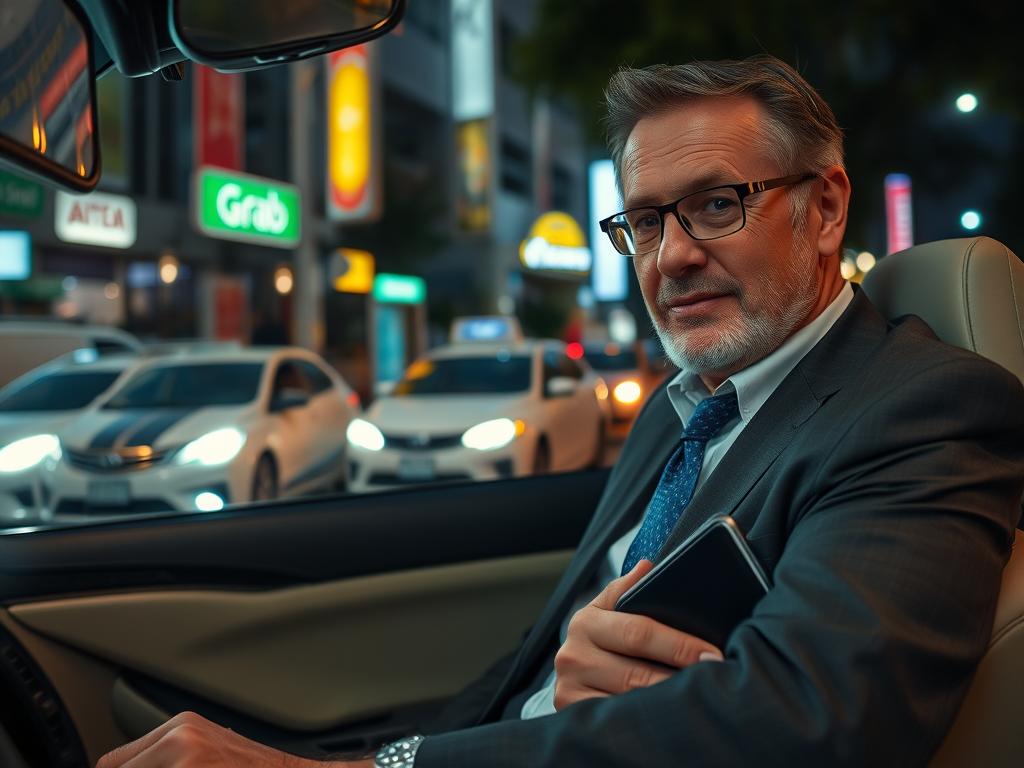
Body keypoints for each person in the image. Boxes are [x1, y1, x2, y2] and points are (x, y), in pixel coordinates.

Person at [97, 55, 1024, 768]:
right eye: (645, 222)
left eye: (716, 204)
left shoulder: (924, 410)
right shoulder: (680, 412)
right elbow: (539, 675)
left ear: (824, 211)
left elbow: (808, 721)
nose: (670, 258)